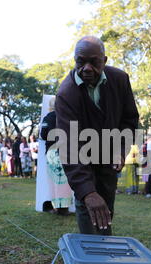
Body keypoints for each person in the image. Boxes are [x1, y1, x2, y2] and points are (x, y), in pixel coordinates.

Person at [55, 36, 139, 235]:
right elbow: (68, 147)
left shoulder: (120, 80)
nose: (86, 68)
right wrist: (88, 191)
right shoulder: (66, 94)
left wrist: (121, 149)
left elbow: (129, 119)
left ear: (105, 60)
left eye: (94, 62)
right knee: (87, 207)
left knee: (106, 212)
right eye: (80, 61)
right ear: (75, 60)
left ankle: (104, 251)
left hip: (108, 163)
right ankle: (91, 257)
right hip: (82, 162)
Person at [41, 98, 73, 215]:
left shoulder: (48, 118)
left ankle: (57, 207)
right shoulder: (67, 116)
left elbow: (43, 135)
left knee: (54, 180)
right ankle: (64, 207)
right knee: (64, 180)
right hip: (65, 150)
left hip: (51, 151)